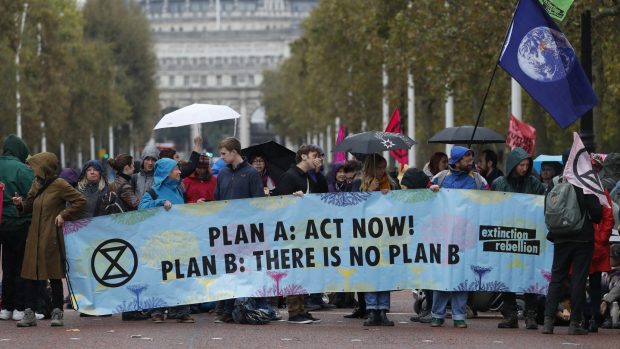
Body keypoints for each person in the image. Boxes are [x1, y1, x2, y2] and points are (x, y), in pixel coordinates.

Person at [12, 152, 86, 327]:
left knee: (53, 275)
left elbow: (80, 201)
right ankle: (29, 313)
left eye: (36, 167)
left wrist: (63, 214)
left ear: (44, 168)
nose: (33, 170)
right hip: (34, 236)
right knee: (30, 275)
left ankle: (57, 312)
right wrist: (19, 203)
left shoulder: (60, 184)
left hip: (51, 236)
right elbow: (29, 205)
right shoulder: (36, 184)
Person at [542, 149, 603, 335]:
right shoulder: (584, 182)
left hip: (560, 236)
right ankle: (575, 322)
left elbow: (547, 209)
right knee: (578, 279)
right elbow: (597, 213)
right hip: (582, 237)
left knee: (557, 278)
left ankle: (548, 321)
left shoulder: (555, 181)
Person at [429, 146, 488, 328]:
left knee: (462, 274)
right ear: (456, 161)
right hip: (443, 235)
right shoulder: (440, 178)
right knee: (443, 275)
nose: (471, 163)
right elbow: (424, 197)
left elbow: (491, 199)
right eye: (467, 160)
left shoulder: (478, 180)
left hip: (466, 236)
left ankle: (459, 315)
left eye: (471, 159)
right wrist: (432, 190)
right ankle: (437, 314)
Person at [490, 147, 545, 329]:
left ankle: (530, 316)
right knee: (506, 276)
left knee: (529, 275)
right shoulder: (499, 183)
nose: (524, 168)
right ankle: (510, 315)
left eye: (527, 165)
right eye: (521, 164)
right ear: (513, 164)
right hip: (506, 236)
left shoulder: (535, 184)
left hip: (528, 236)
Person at [213, 137, 265, 323]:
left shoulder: (251, 173)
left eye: (224, 154)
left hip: (245, 232)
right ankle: (226, 309)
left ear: (235, 152)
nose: (222, 157)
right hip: (226, 232)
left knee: (243, 270)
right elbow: (218, 199)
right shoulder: (223, 173)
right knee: (227, 270)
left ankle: (241, 307)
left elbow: (258, 202)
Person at [138, 158, 195, 323]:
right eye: (176, 169)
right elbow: (142, 209)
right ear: (166, 173)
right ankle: (157, 310)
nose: (179, 172)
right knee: (159, 274)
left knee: (180, 274)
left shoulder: (178, 190)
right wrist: (160, 203)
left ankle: (182, 310)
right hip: (160, 242)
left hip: (179, 241)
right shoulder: (153, 192)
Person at [275, 144, 326, 324]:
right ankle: (294, 311)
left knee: (304, 271)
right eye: (314, 155)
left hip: (306, 231)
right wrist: (293, 199)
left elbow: (322, 195)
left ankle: (302, 309)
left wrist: (319, 172)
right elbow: (281, 203)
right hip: (292, 232)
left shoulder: (309, 177)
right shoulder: (289, 176)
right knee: (293, 271)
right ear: (303, 157)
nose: (318, 159)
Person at [352, 153, 399, 326]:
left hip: (387, 235)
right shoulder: (359, 183)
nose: (382, 171)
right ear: (371, 168)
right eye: (379, 168)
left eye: (384, 168)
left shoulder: (392, 183)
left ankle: (383, 310)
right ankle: (372, 309)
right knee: (370, 273)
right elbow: (351, 207)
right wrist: (369, 193)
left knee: (385, 272)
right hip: (366, 236)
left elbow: (401, 205)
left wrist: (390, 196)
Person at [0, 135, 36, 322]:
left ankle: (5, 306)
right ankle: (19, 308)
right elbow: (33, 195)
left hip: (1, 223)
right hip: (21, 222)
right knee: (22, 266)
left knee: (6, 265)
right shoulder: (22, 169)